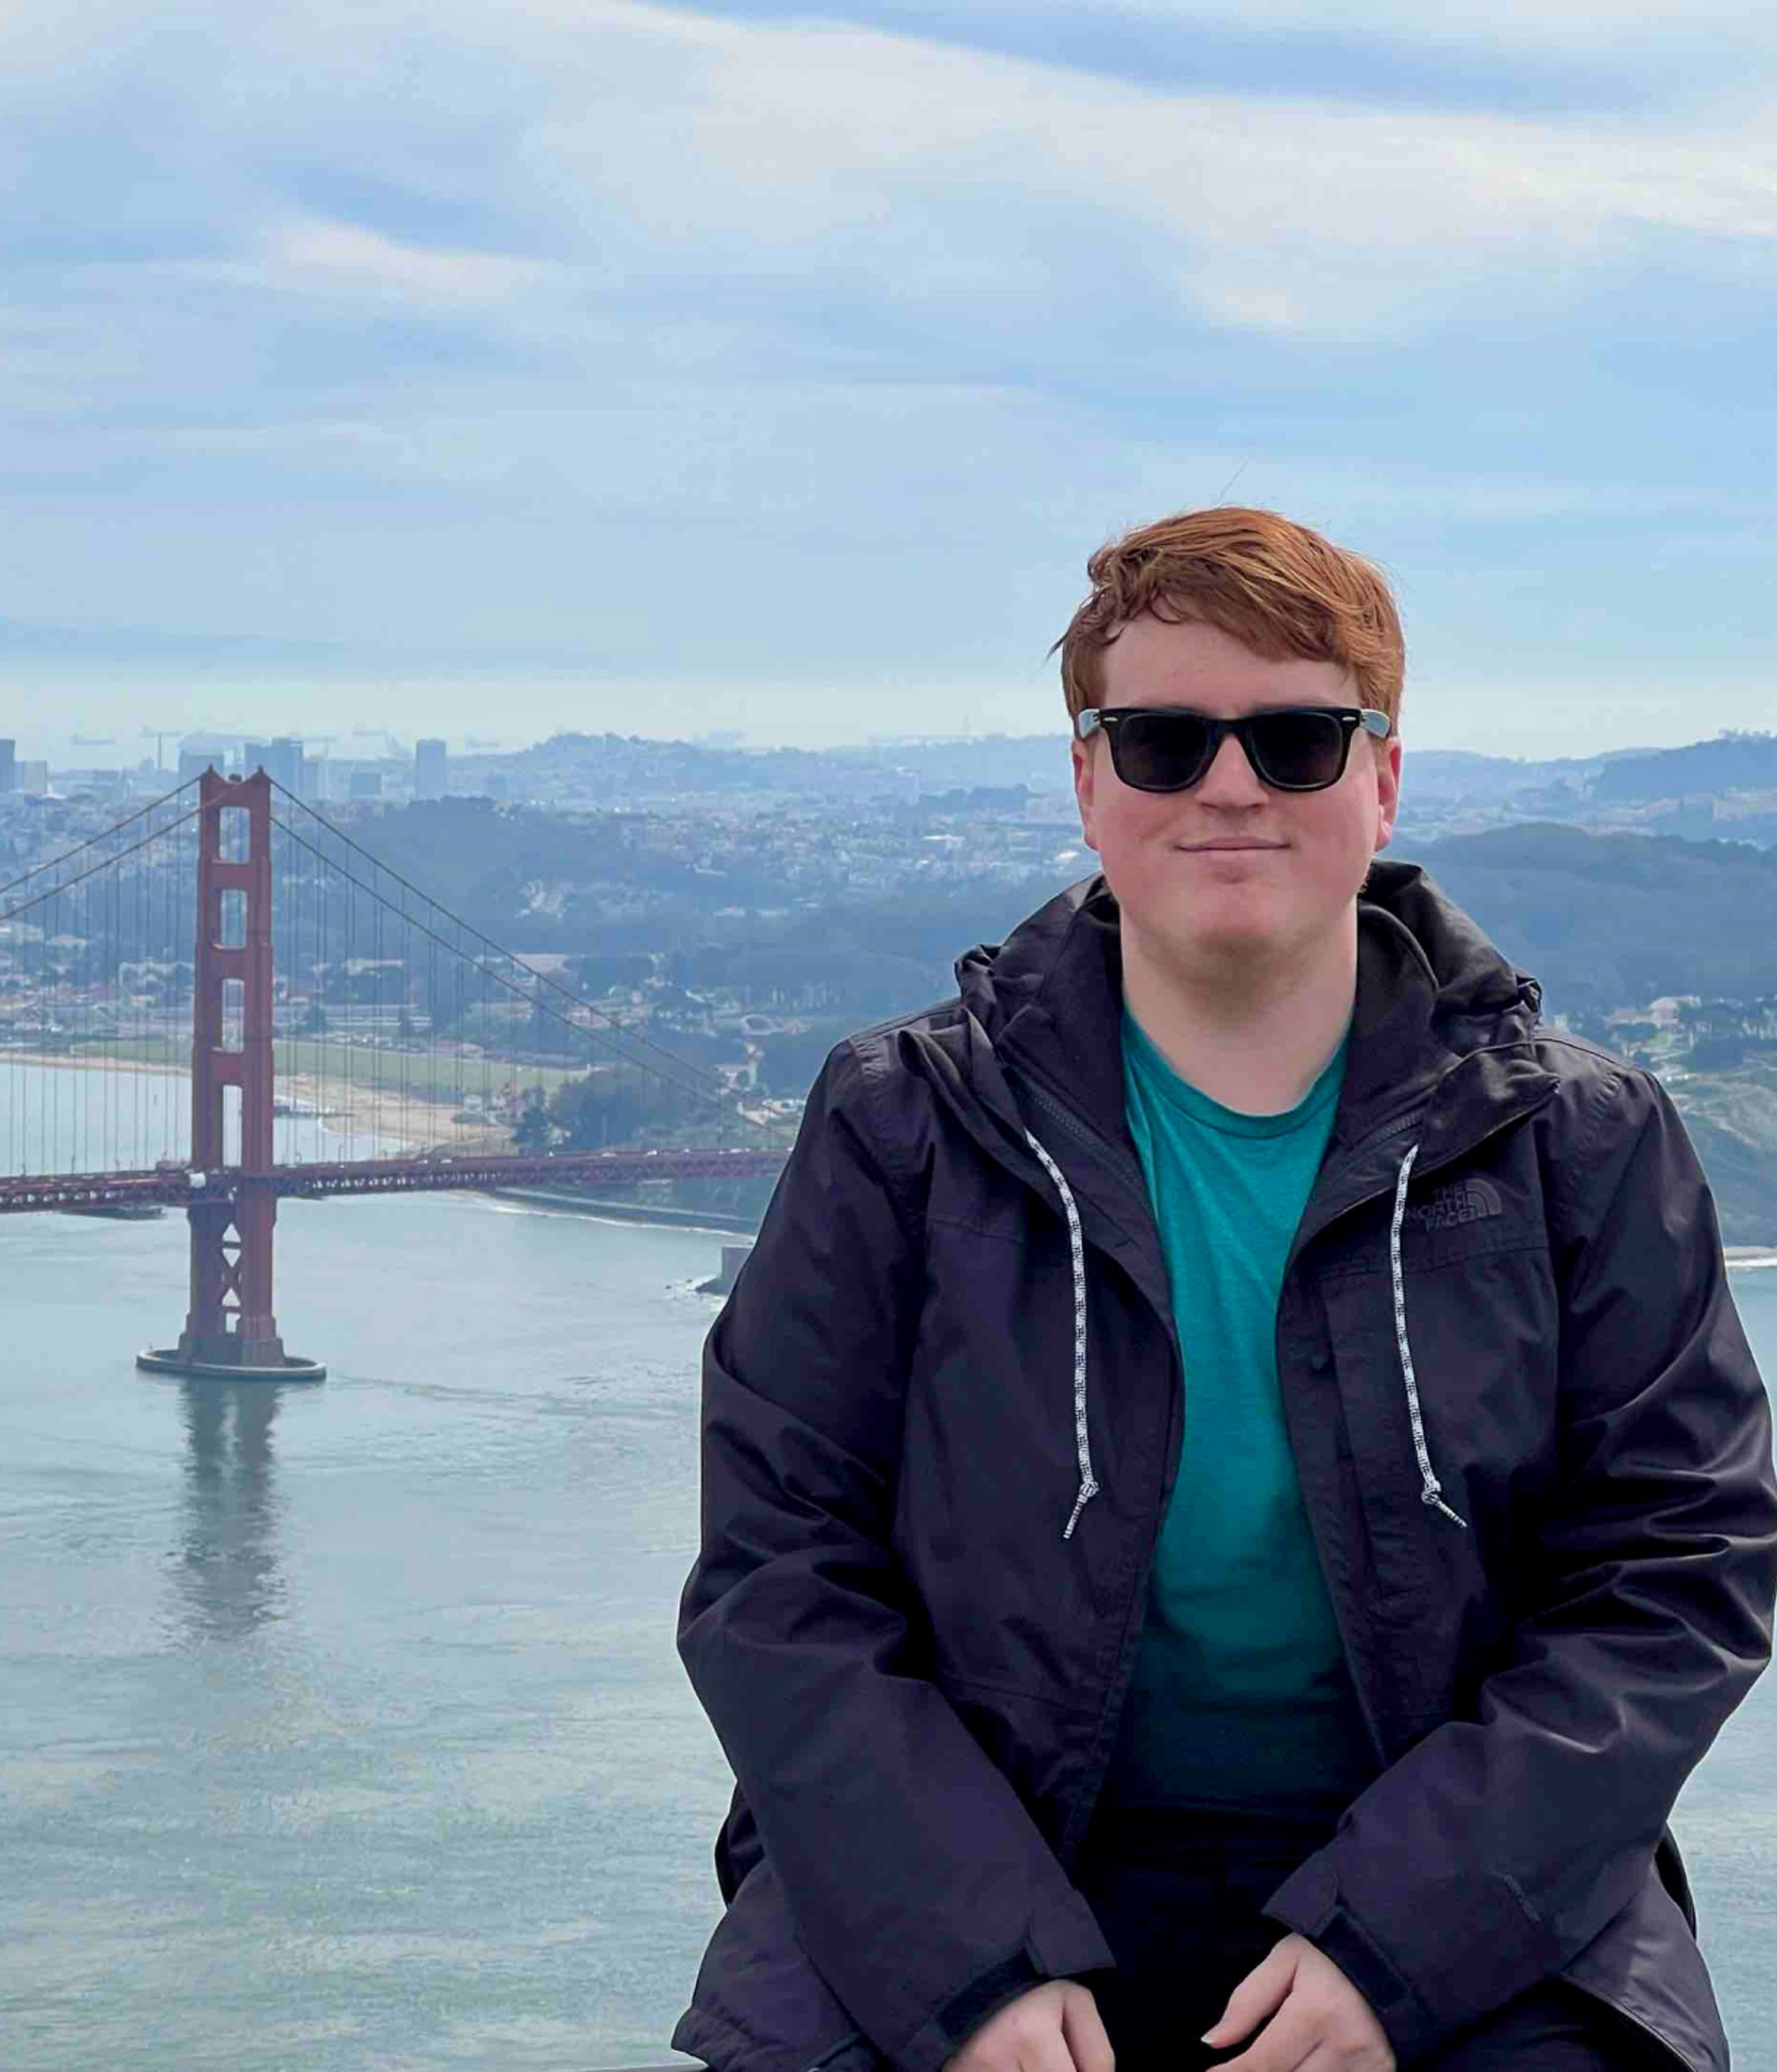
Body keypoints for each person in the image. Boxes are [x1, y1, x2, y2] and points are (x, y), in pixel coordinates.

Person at [672, 507, 1777, 2072]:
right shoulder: (899, 1125)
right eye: (1163, 742)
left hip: (1460, 1868)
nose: (1232, 786)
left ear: (1384, 779)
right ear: (1087, 787)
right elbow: (777, 1578)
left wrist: (1399, 1948)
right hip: (975, 1858)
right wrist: (971, 1962)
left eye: (1301, 741)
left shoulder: (1578, 1141)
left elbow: (1678, 1579)